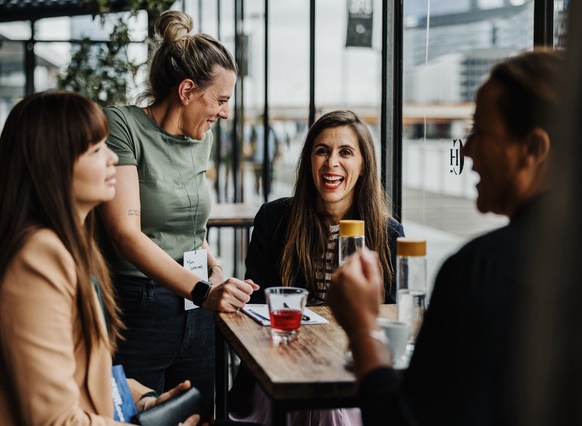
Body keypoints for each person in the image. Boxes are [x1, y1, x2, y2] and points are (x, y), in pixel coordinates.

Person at [328, 49, 564, 425]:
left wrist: (361, 328)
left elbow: (404, 419)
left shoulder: (481, 271)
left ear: (534, 149)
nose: (466, 149)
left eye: (480, 131)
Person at [0, 91, 202, 425]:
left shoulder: (64, 243)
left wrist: (142, 401)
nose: (113, 159)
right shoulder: (36, 257)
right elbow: (54, 420)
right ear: (52, 165)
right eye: (97, 149)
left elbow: (75, 369)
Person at [96, 9, 258, 409]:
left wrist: (218, 273)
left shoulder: (199, 138)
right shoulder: (122, 126)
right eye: (220, 99)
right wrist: (205, 291)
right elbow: (125, 233)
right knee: (138, 416)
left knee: (197, 415)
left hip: (196, 306)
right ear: (187, 91)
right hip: (138, 307)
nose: (225, 112)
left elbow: (192, 233)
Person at [229, 110, 404, 426]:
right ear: (309, 160)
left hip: (353, 368)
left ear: (364, 165)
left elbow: (391, 314)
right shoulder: (274, 219)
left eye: (345, 153)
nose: (331, 163)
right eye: (322, 150)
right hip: (283, 368)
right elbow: (255, 306)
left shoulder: (388, 233)